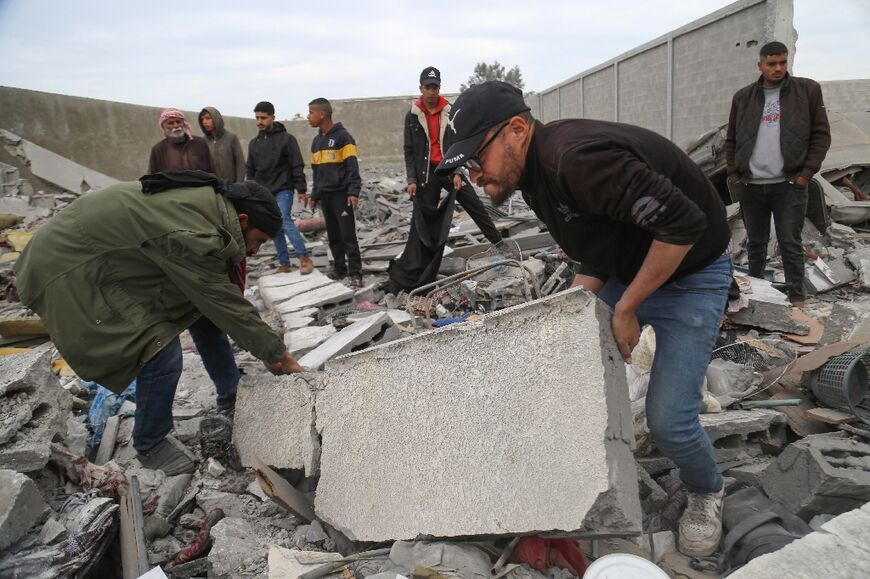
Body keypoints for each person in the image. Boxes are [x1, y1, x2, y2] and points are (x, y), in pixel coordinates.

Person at [436, 81, 732, 558]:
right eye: (465, 166)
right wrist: (562, 314)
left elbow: (683, 224)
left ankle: (707, 489)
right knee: (559, 356)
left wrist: (629, 308)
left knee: (669, 422)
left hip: (689, 273)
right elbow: (598, 242)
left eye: (476, 158)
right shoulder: (529, 174)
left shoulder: (575, 158)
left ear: (516, 130)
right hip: (629, 267)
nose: (474, 174)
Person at [14, 172, 303, 474]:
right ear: (243, 219)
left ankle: (231, 394)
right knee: (158, 351)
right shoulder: (198, 233)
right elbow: (223, 300)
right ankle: (151, 444)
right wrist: (276, 353)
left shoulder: (209, 209)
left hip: (93, 254)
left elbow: (213, 303)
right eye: (257, 241)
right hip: (68, 266)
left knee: (202, 313)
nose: (255, 251)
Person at [149, 108, 242, 420]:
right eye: (169, 124)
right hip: (172, 232)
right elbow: (152, 188)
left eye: (178, 122)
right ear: (163, 128)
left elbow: (214, 180)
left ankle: (230, 392)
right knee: (169, 335)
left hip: (202, 223)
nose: (175, 127)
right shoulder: (159, 152)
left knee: (207, 320)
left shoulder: (201, 146)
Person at [725, 40, 831, 308]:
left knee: (790, 244)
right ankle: (758, 295)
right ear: (760, 65)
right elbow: (732, 140)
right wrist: (734, 174)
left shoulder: (807, 90)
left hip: (789, 184)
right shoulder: (743, 97)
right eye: (772, 63)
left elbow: (821, 135)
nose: (778, 68)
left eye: (783, 62)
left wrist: (806, 174)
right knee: (756, 245)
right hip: (750, 184)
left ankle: (797, 300)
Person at [387, 67, 502, 293]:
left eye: (435, 87)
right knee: (424, 219)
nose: (431, 91)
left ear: (439, 88)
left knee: (475, 205)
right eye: (427, 87)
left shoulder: (450, 111)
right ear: (421, 88)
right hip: (425, 174)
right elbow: (409, 150)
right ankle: (421, 270)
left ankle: (499, 244)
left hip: (449, 167)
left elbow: (460, 142)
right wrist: (411, 178)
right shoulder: (412, 114)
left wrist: (458, 171)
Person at [246, 101, 314, 275]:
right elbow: (251, 170)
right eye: (257, 118)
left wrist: (301, 189)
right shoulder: (254, 144)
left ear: (272, 117)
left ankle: (304, 258)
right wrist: (250, 192)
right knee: (273, 225)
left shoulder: (287, 139)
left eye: (263, 117)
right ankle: (284, 264)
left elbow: (297, 164)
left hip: (283, 188)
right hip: (263, 192)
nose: (259, 121)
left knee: (284, 219)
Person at [307, 98, 364, 288]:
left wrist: (353, 191)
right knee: (333, 236)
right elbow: (317, 173)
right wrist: (314, 195)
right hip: (325, 196)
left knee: (348, 235)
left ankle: (356, 273)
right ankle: (339, 269)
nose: (308, 117)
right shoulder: (316, 142)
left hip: (342, 195)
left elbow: (352, 167)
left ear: (322, 114)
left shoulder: (343, 138)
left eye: (311, 113)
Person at [148, 108, 213, 174]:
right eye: (171, 123)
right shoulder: (158, 150)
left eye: (178, 122)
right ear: (163, 127)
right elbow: (152, 177)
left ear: (183, 123)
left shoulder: (200, 143)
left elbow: (211, 171)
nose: (176, 125)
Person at [199, 106, 246, 183]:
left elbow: (240, 163)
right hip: (213, 187)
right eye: (202, 119)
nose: (204, 122)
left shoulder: (231, 138)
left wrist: (238, 185)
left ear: (216, 119)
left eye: (208, 118)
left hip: (231, 186)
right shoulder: (203, 141)